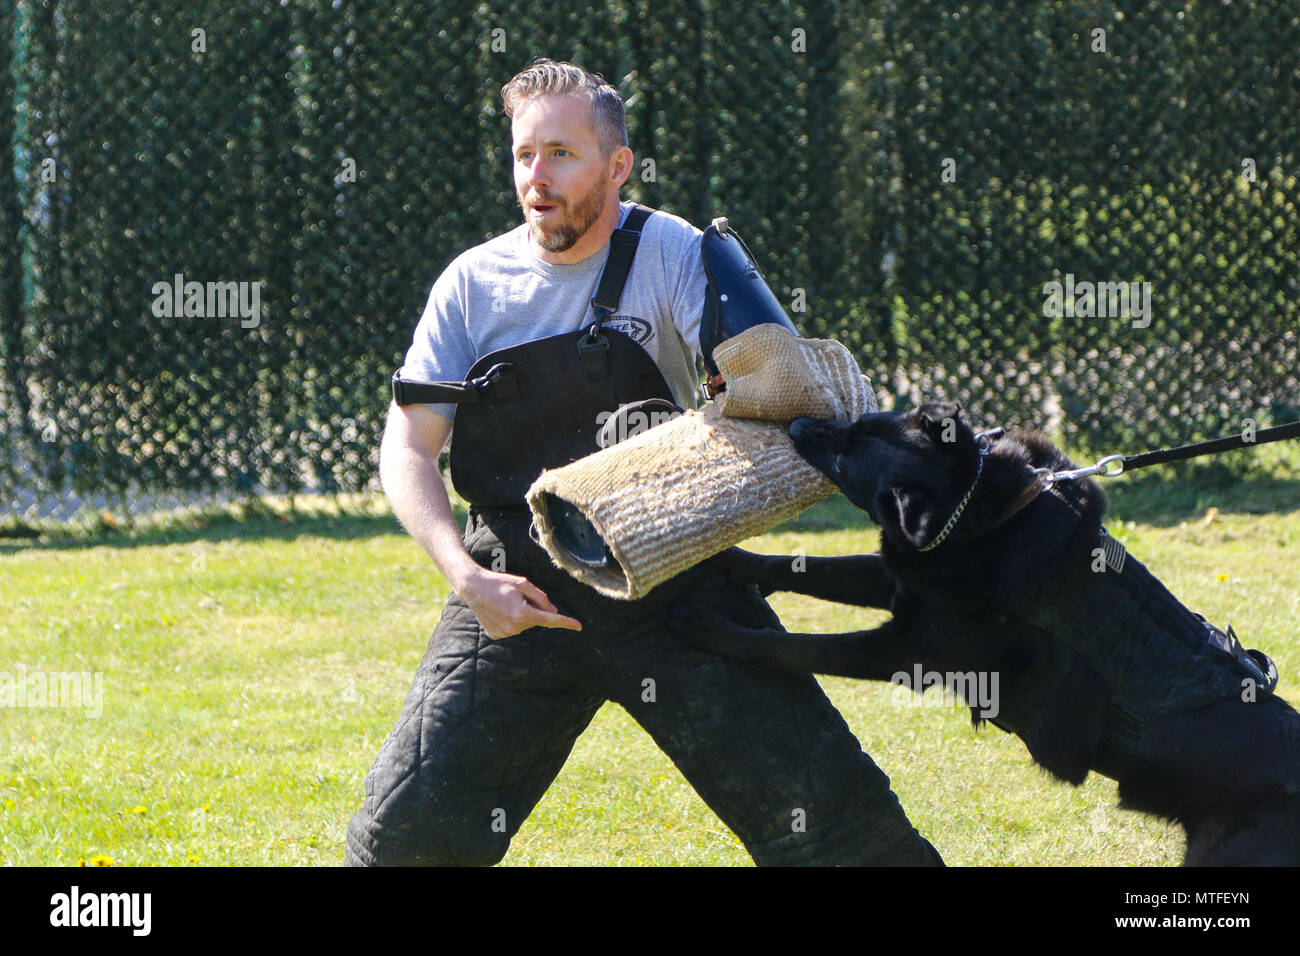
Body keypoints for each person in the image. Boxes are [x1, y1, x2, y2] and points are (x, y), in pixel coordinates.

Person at [344, 59, 942, 867]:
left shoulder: (674, 253)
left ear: (618, 164)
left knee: (840, 832)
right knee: (399, 845)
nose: (536, 178)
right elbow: (407, 447)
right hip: (518, 596)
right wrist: (464, 576)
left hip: (675, 581)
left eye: (562, 154)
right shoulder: (471, 286)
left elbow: (779, 388)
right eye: (524, 155)